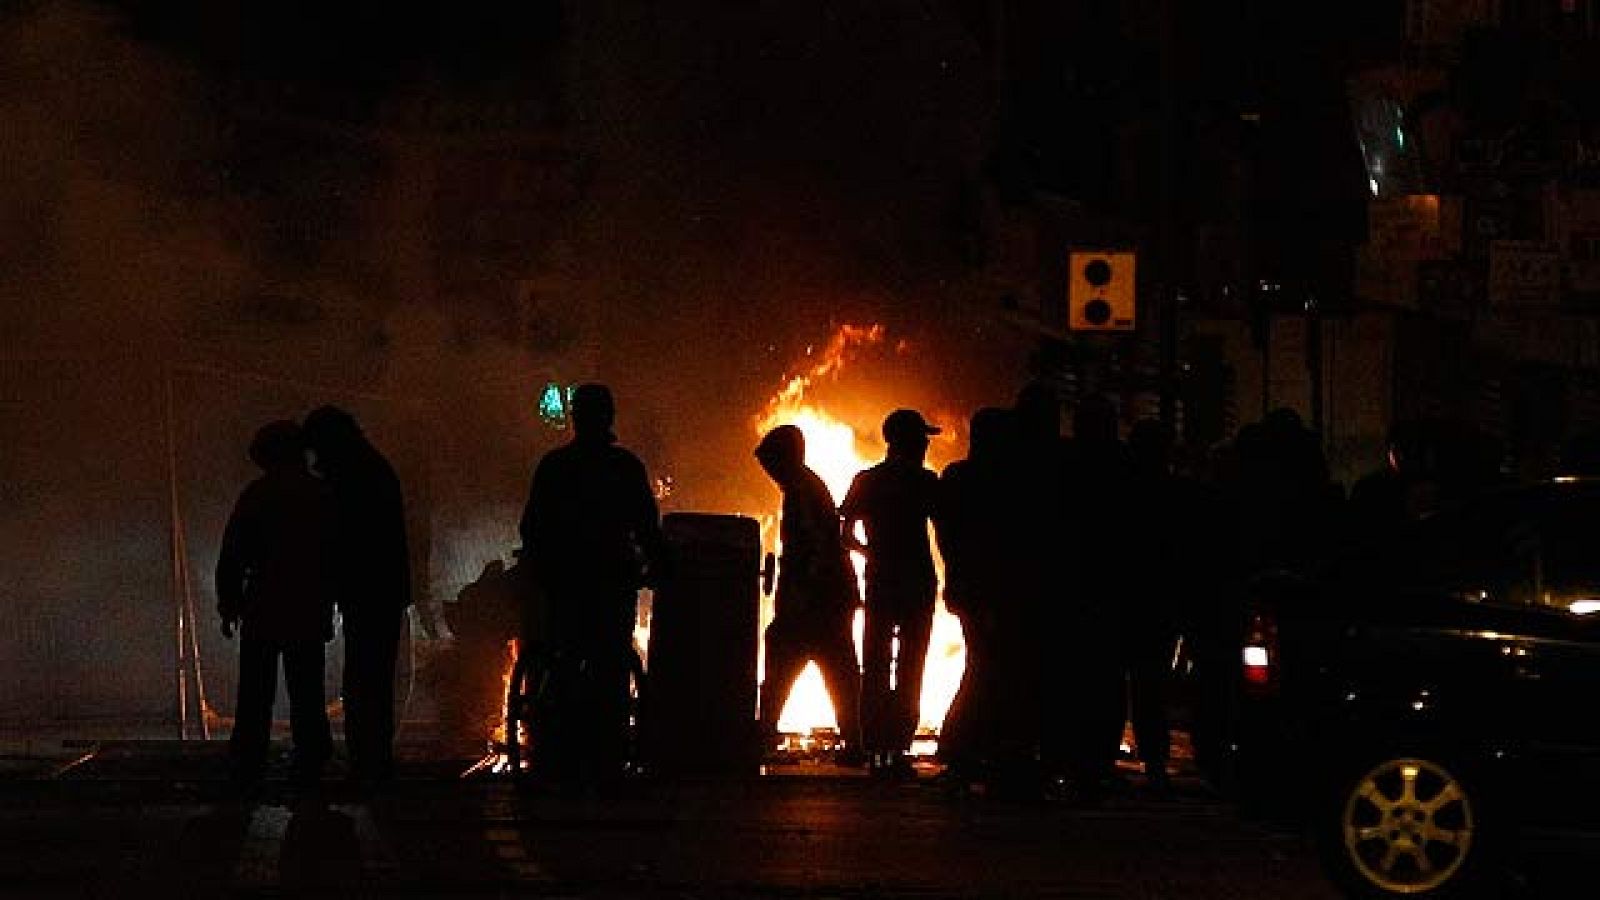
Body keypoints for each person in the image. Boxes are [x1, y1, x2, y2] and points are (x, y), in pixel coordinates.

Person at [517, 383, 666, 787]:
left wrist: (542, 566)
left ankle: (557, 743)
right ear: (609, 418)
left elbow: (532, 527)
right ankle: (607, 750)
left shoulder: (555, 466)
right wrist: (656, 569)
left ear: (575, 418)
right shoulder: (624, 468)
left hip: (566, 582)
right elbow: (647, 528)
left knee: (564, 656)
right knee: (611, 663)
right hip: (610, 582)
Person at [216, 419, 338, 789]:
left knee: (255, 692)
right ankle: (311, 763)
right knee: (307, 690)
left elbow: (234, 554)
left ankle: (249, 763)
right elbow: (336, 552)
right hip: (306, 603)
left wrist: (230, 603)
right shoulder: (321, 495)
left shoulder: (257, 495)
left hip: (265, 605)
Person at [302, 405, 412, 791]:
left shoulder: (355, 476)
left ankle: (368, 760)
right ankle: (372, 758)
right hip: (381, 588)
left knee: (366, 676)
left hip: (368, 589)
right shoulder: (373, 469)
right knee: (374, 677)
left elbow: (344, 538)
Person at [932, 406, 1035, 789]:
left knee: (985, 665)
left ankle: (969, 749)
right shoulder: (1001, 482)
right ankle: (963, 747)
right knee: (990, 668)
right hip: (992, 591)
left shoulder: (956, 478)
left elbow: (947, 537)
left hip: (969, 588)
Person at [753, 424, 864, 764]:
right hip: (829, 598)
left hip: (815, 600)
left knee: (785, 663)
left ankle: (763, 735)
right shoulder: (808, 487)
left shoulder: (802, 491)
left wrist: (801, 594)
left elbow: (817, 547)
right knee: (839, 671)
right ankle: (855, 741)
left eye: (771, 463)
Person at [841, 408, 942, 778]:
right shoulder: (926, 481)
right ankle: (898, 746)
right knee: (911, 664)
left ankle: (877, 747)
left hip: (881, 581)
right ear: (911, 441)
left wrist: (872, 553)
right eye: (923, 438)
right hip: (917, 581)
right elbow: (945, 533)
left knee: (876, 662)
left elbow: (846, 533)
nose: (926, 445)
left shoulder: (867, 480)